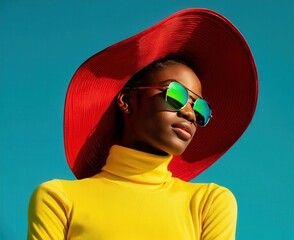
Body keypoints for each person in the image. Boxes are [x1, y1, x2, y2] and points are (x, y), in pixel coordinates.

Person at [27, 8, 258, 239]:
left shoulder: (208, 203)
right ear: (127, 101)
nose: (189, 114)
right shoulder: (58, 199)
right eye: (176, 95)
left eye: (200, 110)